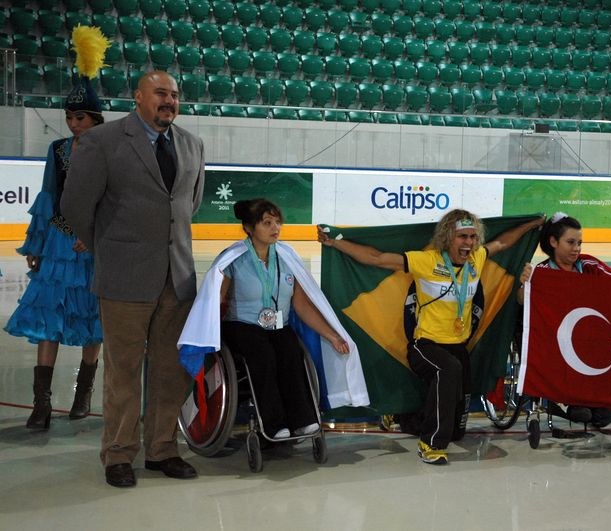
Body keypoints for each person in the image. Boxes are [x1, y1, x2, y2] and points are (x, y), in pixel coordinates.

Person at [61, 70, 205, 488]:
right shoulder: (102, 142)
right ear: (138, 96)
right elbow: (75, 206)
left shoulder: (193, 145)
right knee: (123, 370)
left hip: (176, 276)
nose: (169, 100)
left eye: (175, 94)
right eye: (160, 93)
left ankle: (162, 448)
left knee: (170, 369)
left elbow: (187, 204)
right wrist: (108, 247)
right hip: (124, 277)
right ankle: (119, 453)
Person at [318, 209, 544, 465]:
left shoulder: (476, 259)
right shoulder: (427, 261)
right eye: (462, 237)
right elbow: (377, 258)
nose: (468, 243)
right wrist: (335, 241)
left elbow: (503, 242)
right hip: (425, 345)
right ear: (447, 237)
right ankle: (430, 445)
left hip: (458, 346)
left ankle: (401, 419)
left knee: (457, 429)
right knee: (448, 370)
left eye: (472, 237)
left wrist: (532, 223)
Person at [4, 26, 110, 430]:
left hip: (92, 249)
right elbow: (47, 196)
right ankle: (42, 403)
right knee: (48, 317)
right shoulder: (57, 150)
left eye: (79, 116)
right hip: (59, 247)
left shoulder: (109, 148)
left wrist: (95, 236)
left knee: (91, 321)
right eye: (68, 116)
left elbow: (112, 200)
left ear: (95, 118)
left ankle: (83, 394)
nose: (72, 123)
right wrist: (38, 242)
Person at [217, 199, 352, 439]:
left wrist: (331, 335)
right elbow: (216, 301)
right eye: (267, 223)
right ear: (249, 228)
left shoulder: (288, 258)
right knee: (263, 354)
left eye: (277, 222)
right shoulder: (233, 259)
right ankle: (273, 423)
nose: (275, 228)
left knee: (291, 351)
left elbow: (301, 305)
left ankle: (303, 420)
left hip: (278, 325)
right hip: (242, 326)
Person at [517, 212, 611, 428]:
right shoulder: (541, 273)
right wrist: (526, 283)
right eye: (571, 242)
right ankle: (574, 400)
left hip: (589, 334)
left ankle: (600, 404)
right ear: (553, 242)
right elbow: (522, 302)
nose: (577, 248)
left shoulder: (588, 265)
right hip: (557, 340)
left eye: (579, 243)